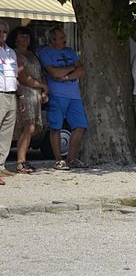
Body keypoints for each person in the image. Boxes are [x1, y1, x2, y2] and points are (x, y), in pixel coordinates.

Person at [38, 26, 88, 170]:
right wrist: (72, 68)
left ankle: (71, 158)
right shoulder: (45, 52)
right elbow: (54, 72)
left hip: (74, 95)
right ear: (52, 40)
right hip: (57, 94)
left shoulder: (70, 51)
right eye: (61, 37)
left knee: (80, 126)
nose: (65, 40)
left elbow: (82, 70)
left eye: (64, 36)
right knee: (56, 127)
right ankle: (58, 160)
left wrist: (66, 76)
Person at [9, 25, 48, 174]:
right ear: (16, 38)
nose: (25, 38)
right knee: (27, 127)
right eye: (22, 36)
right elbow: (23, 78)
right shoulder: (16, 54)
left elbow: (39, 73)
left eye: (27, 36)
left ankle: (22, 159)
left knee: (30, 129)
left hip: (35, 95)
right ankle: (20, 161)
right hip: (24, 94)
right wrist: (42, 85)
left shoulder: (32, 54)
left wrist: (43, 91)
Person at [0, 19, 24, 185]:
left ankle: (1, 165)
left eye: (4, 32)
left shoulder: (10, 53)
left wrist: (20, 96)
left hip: (11, 94)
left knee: (6, 133)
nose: (1, 35)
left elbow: (15, 77)